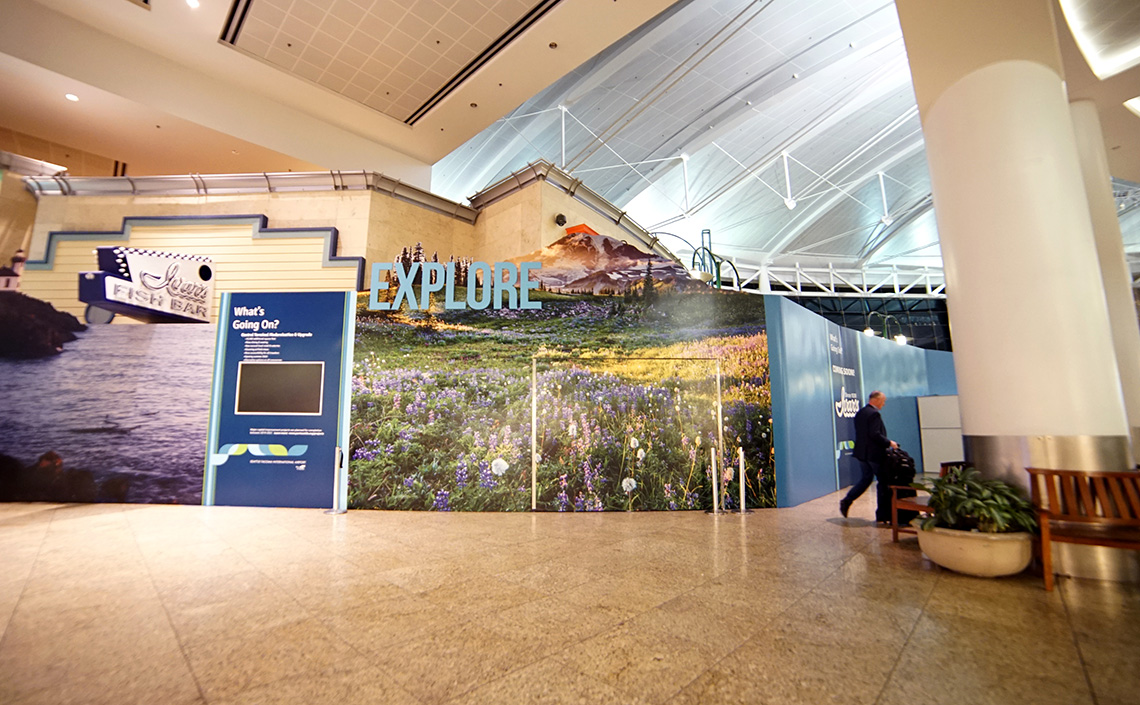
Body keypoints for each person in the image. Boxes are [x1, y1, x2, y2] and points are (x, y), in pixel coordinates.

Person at [839, 390, 897, 522]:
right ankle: (882, 514)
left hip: (862, 453)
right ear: (876, 400)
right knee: (883, 482)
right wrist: (889, 443)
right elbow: (875, 434)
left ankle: (847, 500)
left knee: (866, 479)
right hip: (874, 454)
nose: (884, 404)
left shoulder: (861, 413)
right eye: (883, 401)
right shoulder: (874, 414)